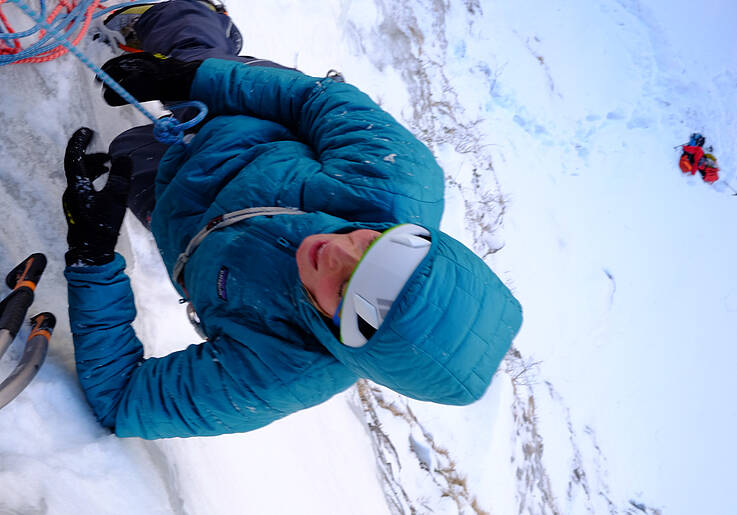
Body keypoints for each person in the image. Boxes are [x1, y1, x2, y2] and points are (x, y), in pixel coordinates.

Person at [62, 0, 523, 439]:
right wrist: (191, 77)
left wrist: (93, 258)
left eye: (348, 291)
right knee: (189, 44)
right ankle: (202, 22)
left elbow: (122, 399)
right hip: (248, 122)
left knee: (128, 151)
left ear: (345, 342)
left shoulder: (282, 370)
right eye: (376, 245)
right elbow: (314, 100)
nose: (338, 249)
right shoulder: (399, 179)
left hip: (184, 215)